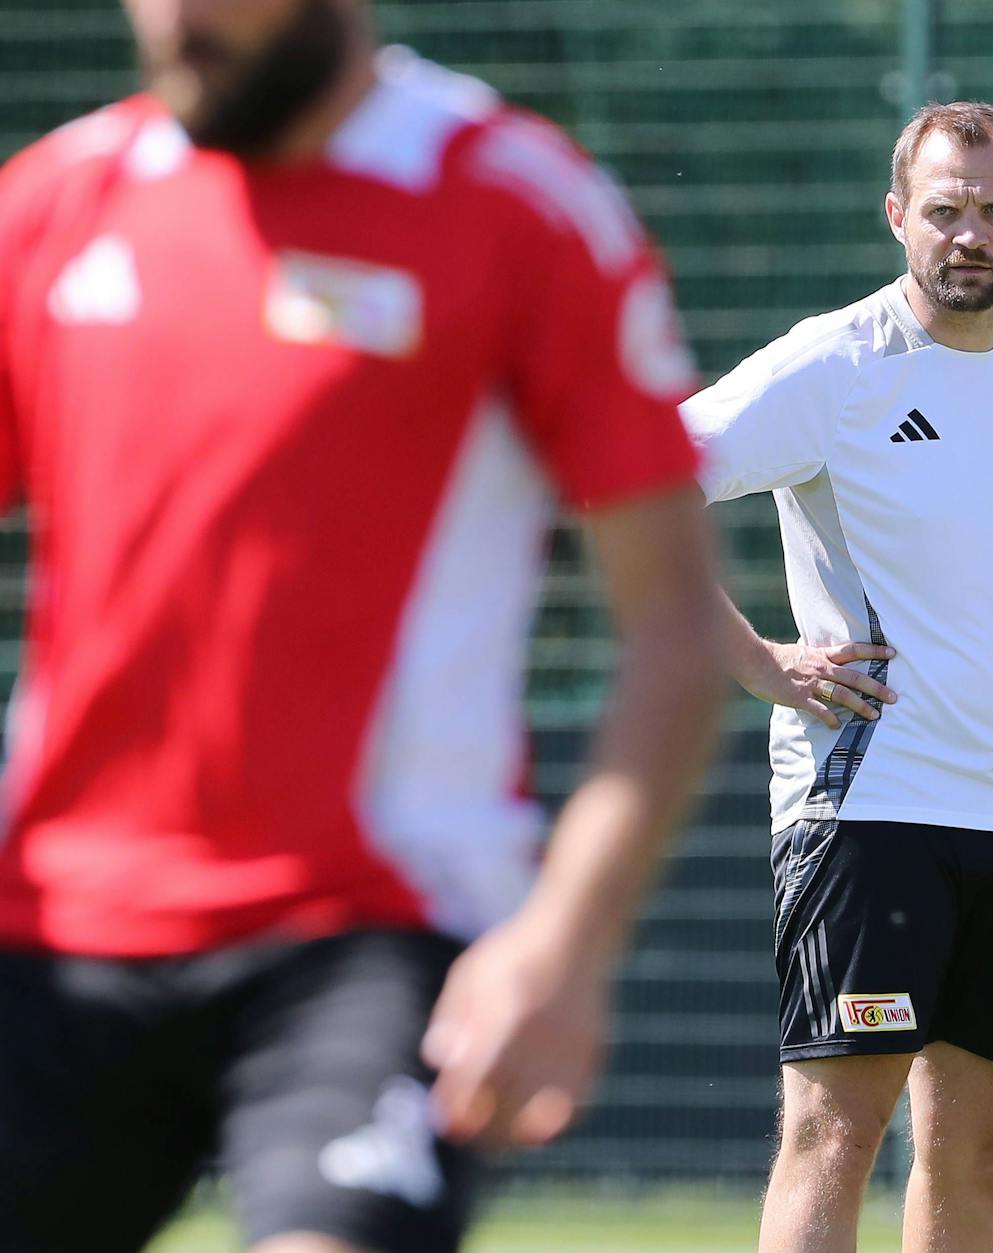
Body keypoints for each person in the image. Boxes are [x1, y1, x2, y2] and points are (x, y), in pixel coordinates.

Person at [0, 0, 721, 1249]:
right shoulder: (58, 203)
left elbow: (675, 625)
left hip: (372, 928)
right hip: (52, 927)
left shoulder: (513, 201)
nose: (174, 17)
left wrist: (567, 935)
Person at [681, 101, 993, 1253]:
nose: (968, 233)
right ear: (895, 216)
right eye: (943, 210)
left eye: (992, 210)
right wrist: (758, 660)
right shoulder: (834, 363)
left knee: (982, 1149)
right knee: (835, 1131)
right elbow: (639, 480)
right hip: (869, 808)